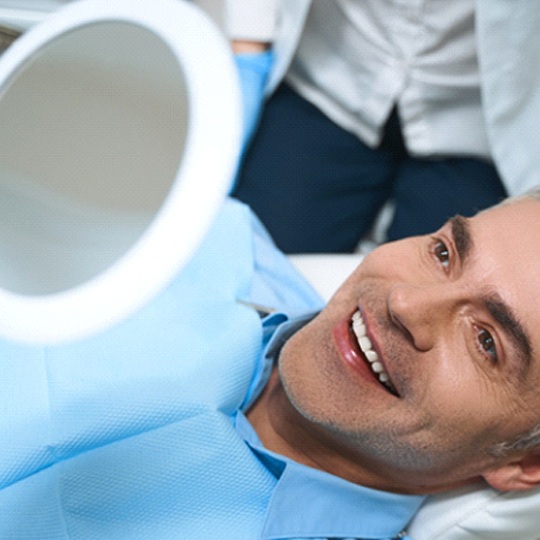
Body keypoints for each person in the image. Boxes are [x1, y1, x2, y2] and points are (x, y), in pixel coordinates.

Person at [2, 188, 540, 538]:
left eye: (486, 342)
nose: (406, 302)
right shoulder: (208, 234)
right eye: (444, 253)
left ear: (527, 464)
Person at [231, 1, 540, 253]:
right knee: (252, 263)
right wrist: (246, 49)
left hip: (476, 125)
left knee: (438, 305)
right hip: (330, 83)